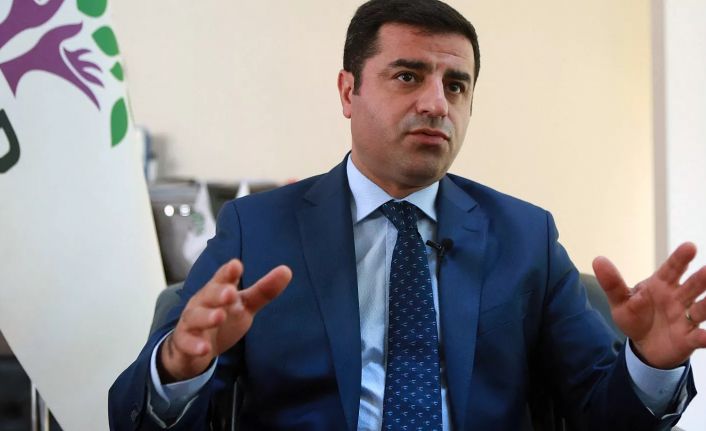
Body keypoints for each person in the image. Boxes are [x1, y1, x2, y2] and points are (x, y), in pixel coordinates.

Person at [109, 0, 705, 429]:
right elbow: (133, 415)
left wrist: (651, 363)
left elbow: (602, 412)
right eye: (408, 76)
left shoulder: (525, 237)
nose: (436, 103)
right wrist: (179, 366)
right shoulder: (258, 229)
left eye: (457, 86)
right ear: (348, 91)